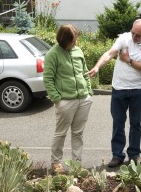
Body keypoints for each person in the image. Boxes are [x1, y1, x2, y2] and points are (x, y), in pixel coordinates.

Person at [88, 19, 141, 168]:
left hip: (138, 89)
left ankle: (134, 154)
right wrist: (97, 67)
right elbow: (110, 53)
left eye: (138, 35)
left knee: (136, 124)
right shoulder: (124, 38)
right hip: (119, 88)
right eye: (133, 33)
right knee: (118, 123)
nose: (134, 37)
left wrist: (128, 60)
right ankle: (117, 155)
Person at [43, 24, 93, 172]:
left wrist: (89, 91)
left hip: (84, 99)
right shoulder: (53, 54)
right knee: (61, 133)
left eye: (76, 38)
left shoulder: (78, 51)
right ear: (65, 40)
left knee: (78, 133)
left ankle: (76, 163)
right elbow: (48, 79)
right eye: (73, 40)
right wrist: (57, 99)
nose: (76, 42)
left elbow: (84, 71)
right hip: (65, 100)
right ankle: (56, 162)